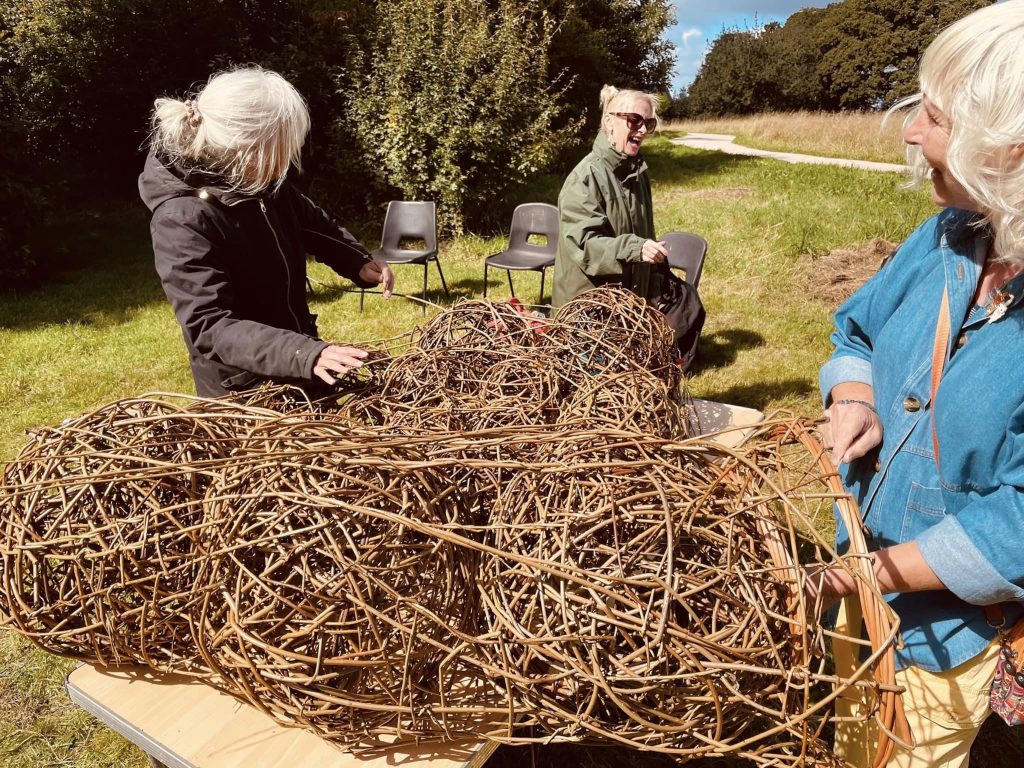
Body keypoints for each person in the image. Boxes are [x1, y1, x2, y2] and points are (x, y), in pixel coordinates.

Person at [812, 3, 1024, 764]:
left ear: (1013, 149)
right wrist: (856, 397)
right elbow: (856, 329)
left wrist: (863, 575)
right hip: (859, 582)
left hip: (946, 637)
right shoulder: (949, 233)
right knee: (853, 741)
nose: (909, 131)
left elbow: (1019, 523)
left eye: (933, 115)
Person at [139, 66, 393, 398]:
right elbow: (209, 326)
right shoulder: (181, 218)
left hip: (301, 361)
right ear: (244, 147)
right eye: (278, 149)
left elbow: (310, 222)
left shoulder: (259, 180)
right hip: (245, 391)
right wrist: (303, 353)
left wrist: (355, 260)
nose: (285, 161)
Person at [553, 85, 704, 368]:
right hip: (588, 313)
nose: (643, 129)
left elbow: (642, 235)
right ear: (609, 121)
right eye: (634, 120)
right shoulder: (584, 178)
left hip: (626, 308)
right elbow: (586, 246)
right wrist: (635, 248)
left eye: (648, 123)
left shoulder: (636, 173)